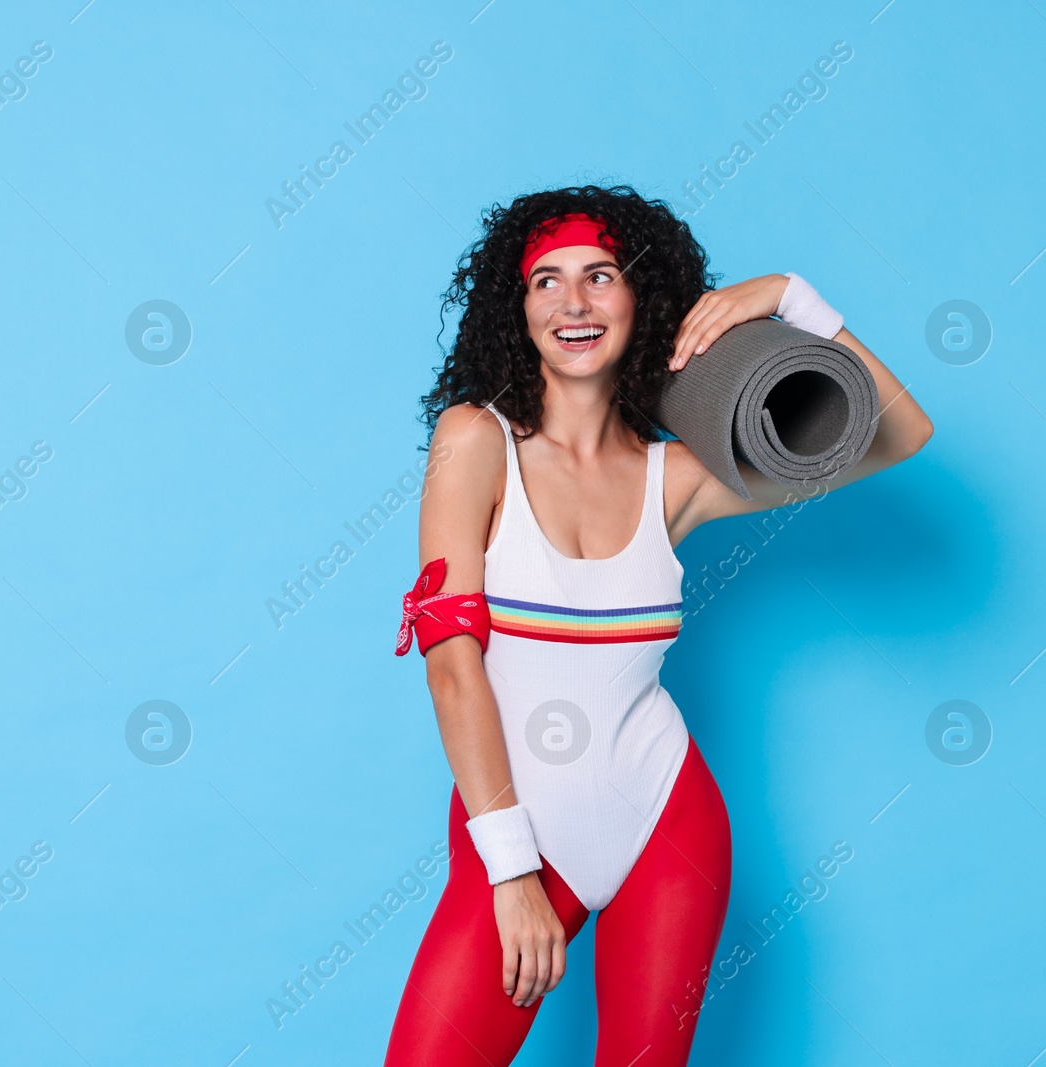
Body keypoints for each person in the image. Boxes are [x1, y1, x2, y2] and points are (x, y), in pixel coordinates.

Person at [385, 185, 934, 1066]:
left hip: (666, 822)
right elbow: (452, 668)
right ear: (514, 308)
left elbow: (897, 433)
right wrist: (510, 868)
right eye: (546, 282)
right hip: (518, 831)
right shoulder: (473, 441)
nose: (573, 303)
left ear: (641, 301)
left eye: (600, 276)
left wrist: (794, 298)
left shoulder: (676, 479)